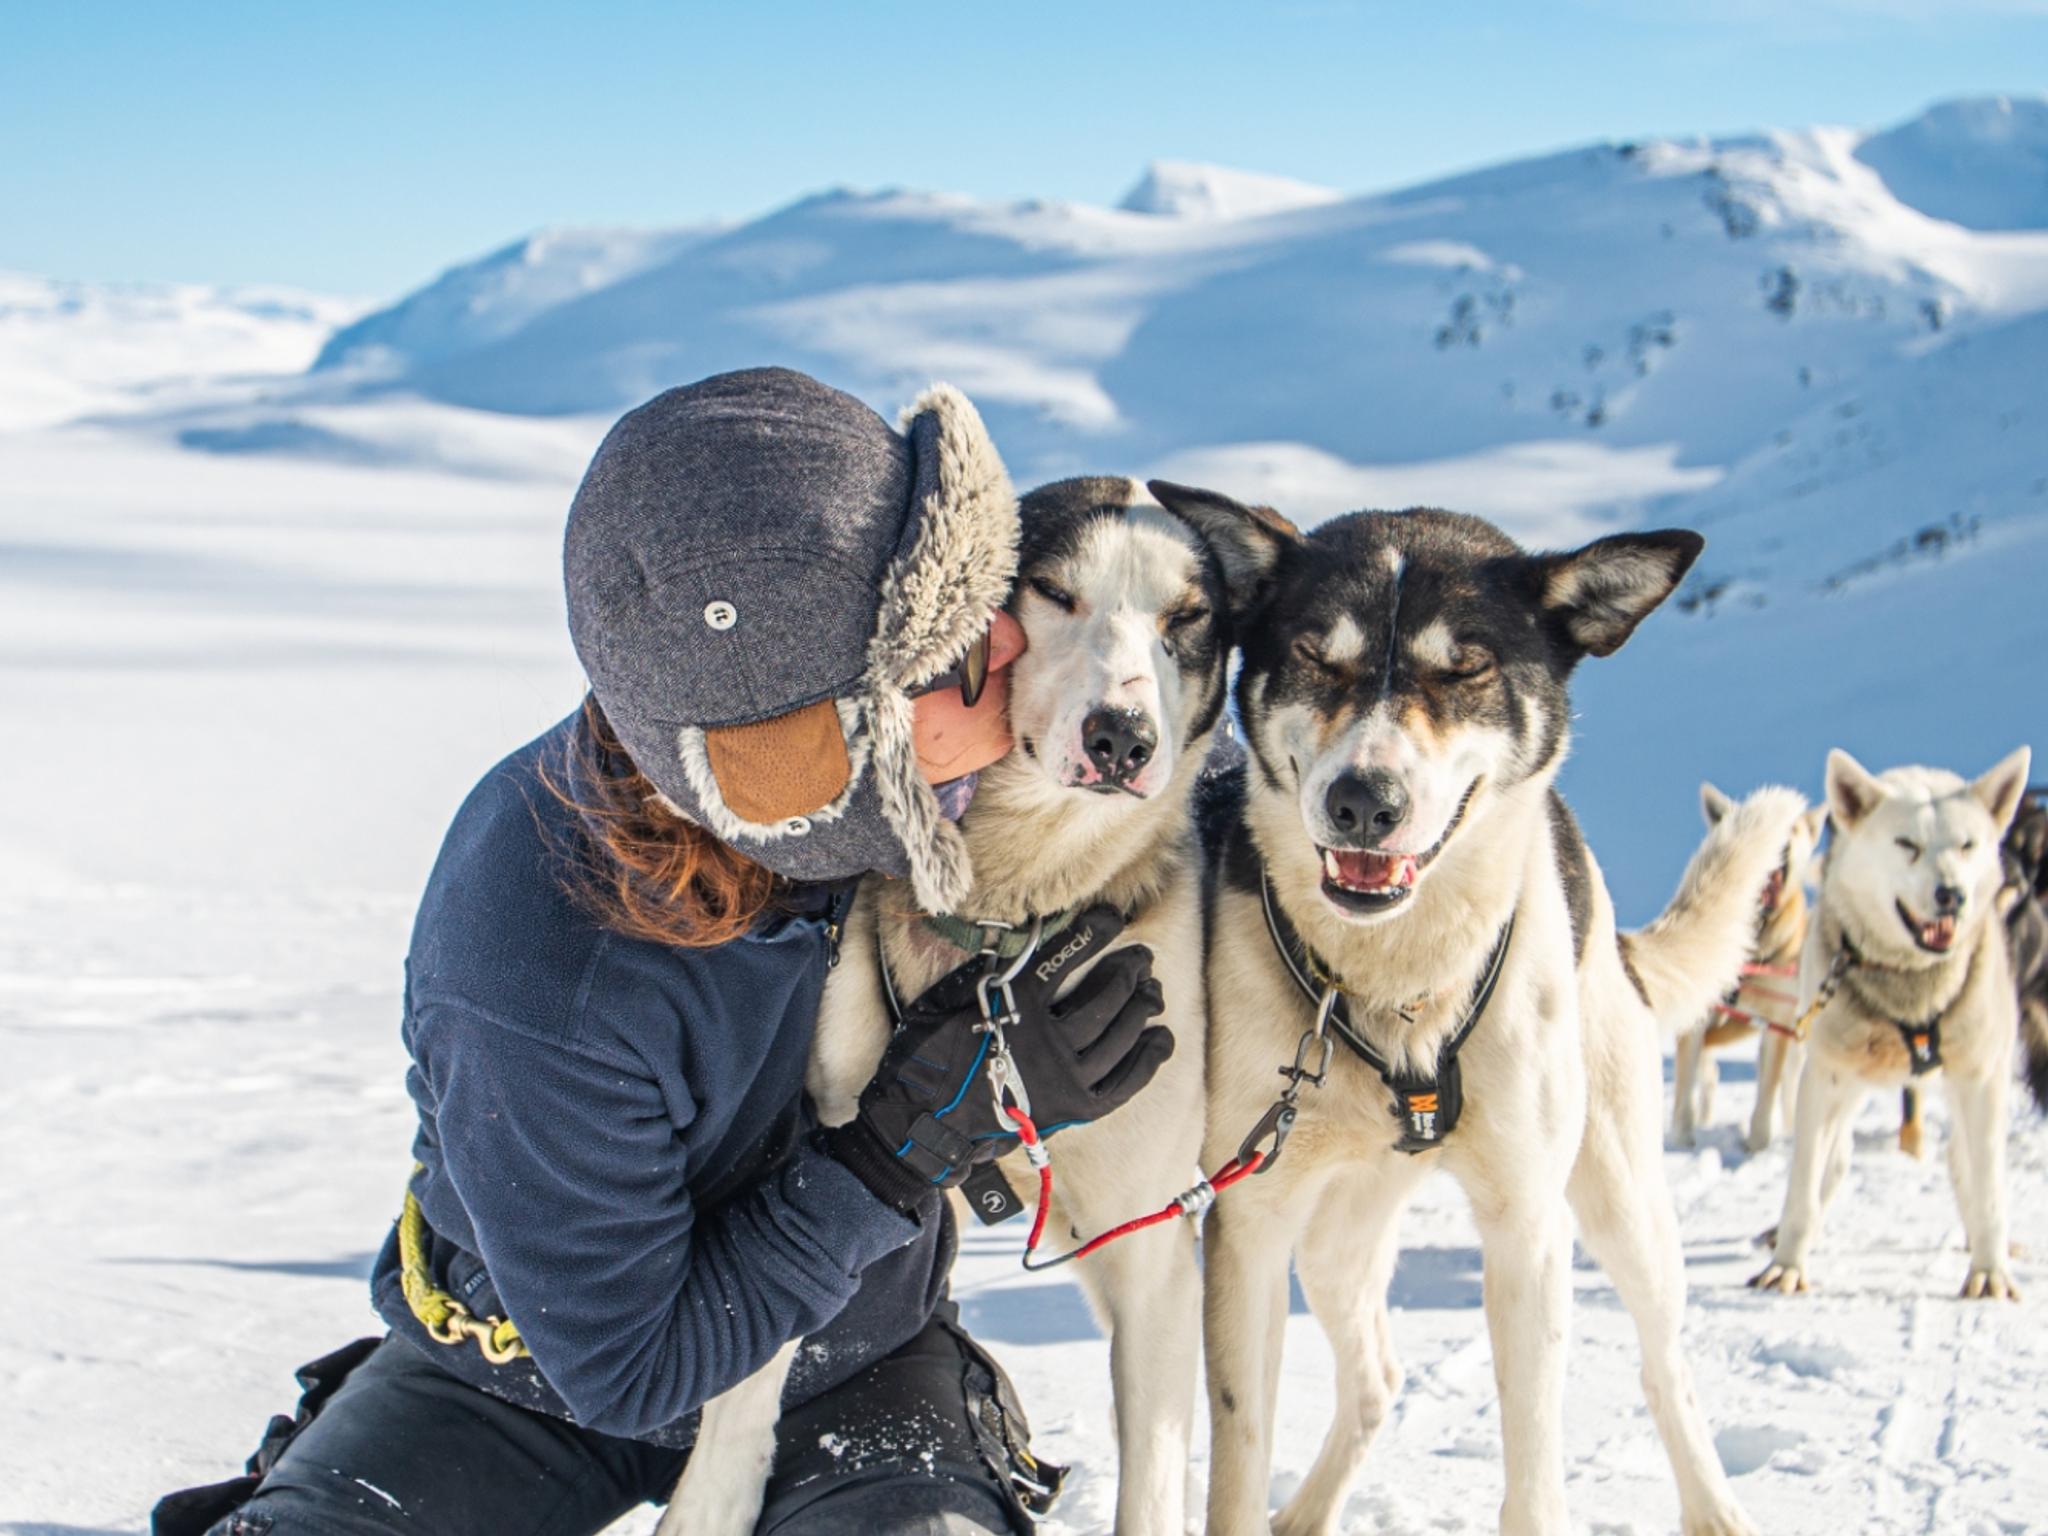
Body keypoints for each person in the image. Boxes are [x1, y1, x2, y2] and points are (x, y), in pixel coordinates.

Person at [154, 368, 1173, 1536]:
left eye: (989, 599)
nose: (1009, 648)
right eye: (944, 662)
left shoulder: (912, 785)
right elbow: (633, 1367)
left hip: (847, 1358)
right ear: (814, 760)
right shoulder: (540, 970)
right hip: (526, 1382)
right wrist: (902, 1154)